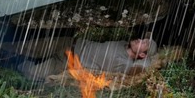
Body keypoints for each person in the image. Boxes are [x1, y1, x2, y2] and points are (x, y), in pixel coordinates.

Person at [15, 37, 158, 82]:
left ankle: (7, 67)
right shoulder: (123, 44)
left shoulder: (125, 64)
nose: (140, 39)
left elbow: (144, 67)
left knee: (29, 71)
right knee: (21, 46)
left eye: (144, 43)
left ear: (142, 55)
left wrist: (143, 60)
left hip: (68, 62)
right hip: (69, 43)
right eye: (143, 39)